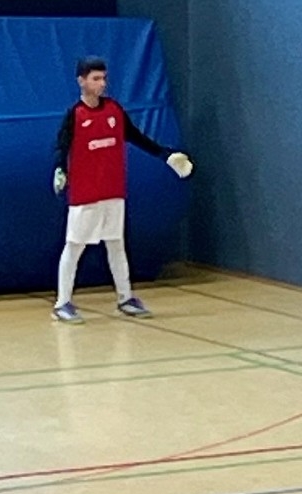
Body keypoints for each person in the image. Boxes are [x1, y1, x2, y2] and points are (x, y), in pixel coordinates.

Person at [52, 56, 192, 323]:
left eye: (104, 78)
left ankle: (125, 298)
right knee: (74, 247)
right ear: (81, 81)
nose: (102, 83)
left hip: (113, 191)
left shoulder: (114, 110)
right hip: (85, 195)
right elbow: (61, 147)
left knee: (116, 245)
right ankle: (62, 303)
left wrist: (166, 156)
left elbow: (136, 137)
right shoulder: (75, 116)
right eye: (95, 78)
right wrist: (61, 170)